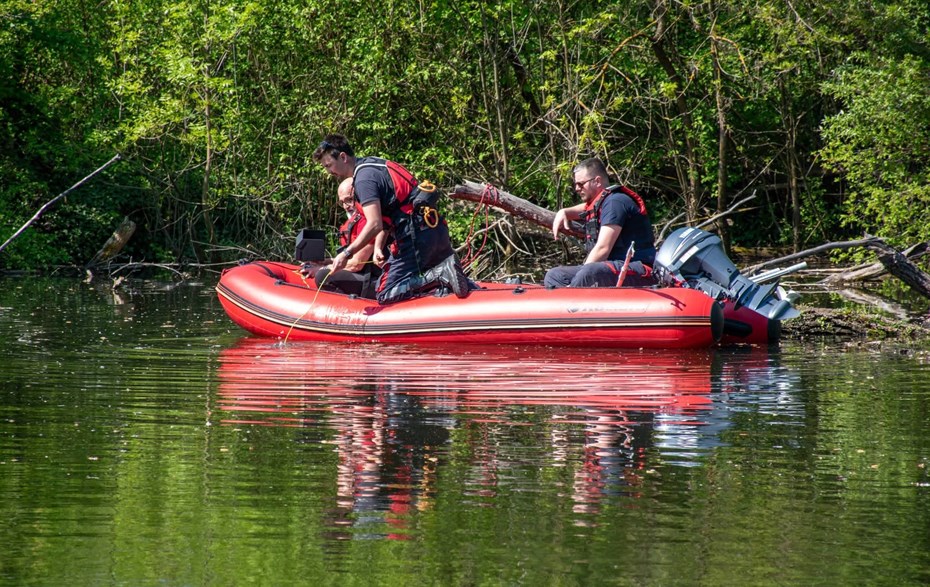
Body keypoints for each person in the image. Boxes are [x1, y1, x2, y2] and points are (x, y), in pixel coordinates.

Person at [312, 133, 470, 304]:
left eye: (329, 165)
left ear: (342, 157)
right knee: (452, 282)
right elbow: (390, 213)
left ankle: (439, 274)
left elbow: (374, 224)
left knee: (386, 292)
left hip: (415, 238)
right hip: (434, 229)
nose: (329, 172)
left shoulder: (363, 180)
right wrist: (379, 247)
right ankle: (455, 285)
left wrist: (346, 253)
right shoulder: (374, 164)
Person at [544, 157, 658, 288]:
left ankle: (571, 301)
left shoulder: (616, 202)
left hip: (639, 268)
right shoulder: (602, 202)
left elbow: (603, 248)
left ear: (597, 181)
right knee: (555, 275)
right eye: (575, 184)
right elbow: (585, 208)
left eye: (581, 184)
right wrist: (564, 212)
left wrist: (578, 278)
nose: (576, 188)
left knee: (589, 272)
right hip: (612, 267)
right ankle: (569, 302)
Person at [312, 177, 382, 299]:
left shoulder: (369, 222)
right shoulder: (352, 222)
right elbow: (350, 260)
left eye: (349, 200)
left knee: (323, 275)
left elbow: (356, 264)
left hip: (375, 280)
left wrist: (321, 268)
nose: (346, 206)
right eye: (342, 202)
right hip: (364, 275)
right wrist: (327, 261)